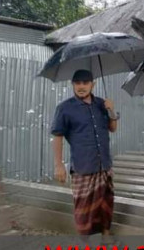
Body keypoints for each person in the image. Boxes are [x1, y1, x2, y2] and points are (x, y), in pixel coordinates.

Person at [51, 69, 119, 236]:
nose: (81, 87)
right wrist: (58, 165)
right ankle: (86, 243)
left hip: (104, 165)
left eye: (85, 83)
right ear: (72, 84)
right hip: (83, 166)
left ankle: (106, 235)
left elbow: (113, 128)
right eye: (78, 83)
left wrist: (111, 111)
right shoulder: (65, 108)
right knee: (83, 210)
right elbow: (57, 136)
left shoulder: (102, 104)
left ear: (92, 84)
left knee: (106, 203)